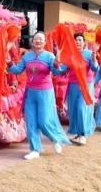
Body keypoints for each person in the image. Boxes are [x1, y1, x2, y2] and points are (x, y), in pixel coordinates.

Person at [7, 31, 69, 159]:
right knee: (31, 121)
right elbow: (18, 70)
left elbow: (56, 72)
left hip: (45, 92)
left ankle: (56, 138)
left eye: (41, 39)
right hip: (30, 93)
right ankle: (35, 149)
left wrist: (59, 64)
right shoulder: (27, 57)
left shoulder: (49, 56)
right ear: (32, 41)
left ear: (45, 42)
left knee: (44, 120)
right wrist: (9, 63)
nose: (38, 41)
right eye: (36, 39)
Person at [66, 33, 99, 145]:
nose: (77, 42)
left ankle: (83, 134)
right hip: (73, 86)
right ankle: (78, 133)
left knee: (81, 108)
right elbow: (61, 70)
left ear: (84, 42)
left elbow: (95, 68)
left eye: (80, 40)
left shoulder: (89, 54)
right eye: (76, 40)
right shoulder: (70, 55)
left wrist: (94, 60)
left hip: (86, 86)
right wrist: (55, 65)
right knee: (74, 110)